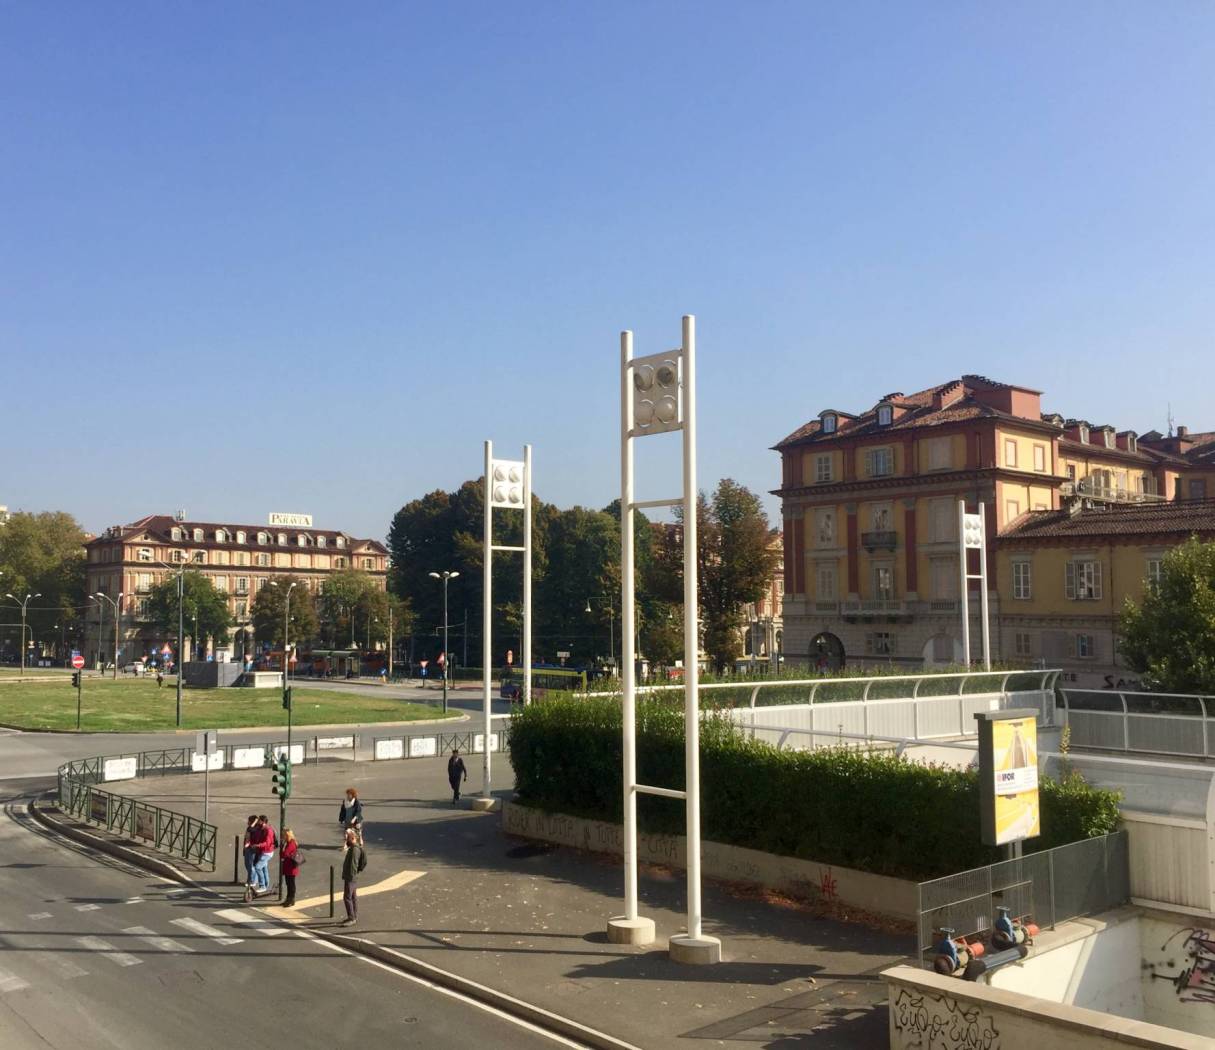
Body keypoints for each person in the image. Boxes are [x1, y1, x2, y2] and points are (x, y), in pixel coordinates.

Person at [340, 828, 366, 926]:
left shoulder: (355, 850)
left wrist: (351, 876)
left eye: (347, 837)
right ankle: (353, 916)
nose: (345, 838)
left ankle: (352, 917)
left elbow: (353, 864)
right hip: (353, 876)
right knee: (353, 897)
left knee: (347, 897)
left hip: (351, 877)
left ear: (353, 837)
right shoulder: (355, 848)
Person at [254, 814, 276, 895]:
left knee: (257, 867)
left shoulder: (268, 830)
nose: (258, 822)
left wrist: (258, 845)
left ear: (263, 821)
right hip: (264, 852)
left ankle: (262, 886)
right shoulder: (263, 828)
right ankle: (266, 885)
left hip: (267, 852)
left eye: (259, 820)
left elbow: (267, 843)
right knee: (264, 868)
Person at [281, 828, 301, 907]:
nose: (282, 836)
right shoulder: (288, 842)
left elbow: (285, 854)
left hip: (291, 867)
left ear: (287, 835)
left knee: (291, 884)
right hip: (288, 866)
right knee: (288, 883)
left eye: (283, 835)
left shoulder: (291, 843)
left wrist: (282, 846)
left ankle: (291, 900)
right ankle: (288, 898)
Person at [242, 815, 259, 887]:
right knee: (247, 865)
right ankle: (252, 879)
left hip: (252, 849)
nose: (247, 822)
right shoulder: (251, 828)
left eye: (249, 820)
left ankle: (252, 881)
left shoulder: (255, 829)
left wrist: (255, 822)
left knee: (251, 865)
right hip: (247, 848)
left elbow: (250, 829)